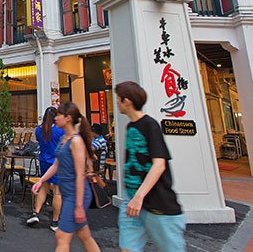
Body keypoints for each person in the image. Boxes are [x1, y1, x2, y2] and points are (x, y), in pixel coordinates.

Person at [114, 81, 185, 252]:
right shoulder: (131, 126)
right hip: (131, 200)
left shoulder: (150, 125)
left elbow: (159, 165)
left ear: (127, 101)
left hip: (157, 203)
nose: (116, 102)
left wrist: (139, 196)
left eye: (118, 98)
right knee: (127, 248)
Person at [32, 103, 100, 252]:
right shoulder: (64, 138)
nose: (55, 118)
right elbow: (56, 165)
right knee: (84, 235)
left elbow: (80, 174)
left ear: (68, 118)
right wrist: (41, 180)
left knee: (62, 237)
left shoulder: (76, 141)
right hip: (68, 192)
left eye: (59, 115)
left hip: (76, 194)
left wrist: (79, 206)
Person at [27, 106, 64, 231]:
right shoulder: (59, 130)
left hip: (43, 161)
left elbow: (39, 142)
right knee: (57, 193)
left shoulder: (39, 130)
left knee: (44, 187)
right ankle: (54, 222)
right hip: (56, 164)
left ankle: (36, 213)